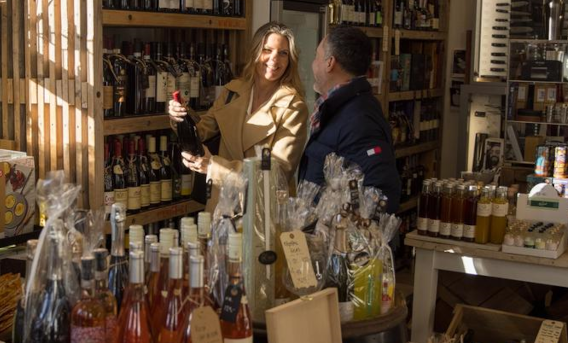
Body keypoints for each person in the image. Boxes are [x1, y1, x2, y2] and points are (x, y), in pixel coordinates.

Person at [168, 22, 310, 212]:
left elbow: (278, 173)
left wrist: (214, 166)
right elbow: (201, 131)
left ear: (290, 60)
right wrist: (180, 117)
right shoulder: (233, 92)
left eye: (283, 53)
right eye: (267, 50)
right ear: (255, 52)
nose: (274, 60)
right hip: (223, 204)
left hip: (262, 209)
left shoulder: (294, 107)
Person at [300, 25, 401, 213]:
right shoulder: (340, 108)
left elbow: (378, 196)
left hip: (337, 240)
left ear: (330, 63)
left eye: (317, 57)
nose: (313, 64)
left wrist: (337, 234)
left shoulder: (359, 119)